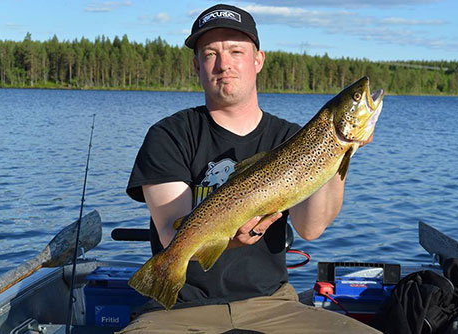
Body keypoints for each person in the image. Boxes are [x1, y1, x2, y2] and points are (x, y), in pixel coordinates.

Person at [122, 3, 381, 333]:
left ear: (258, 60)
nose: (224, 64)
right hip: (179, 310)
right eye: (210, 53)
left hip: (273, 304)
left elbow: (311, 228)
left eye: (235, 51)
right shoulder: (169, 135)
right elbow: (173, 237)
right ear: (197, 66)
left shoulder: (292, 138)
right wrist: (229, 240)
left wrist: (342, 152)